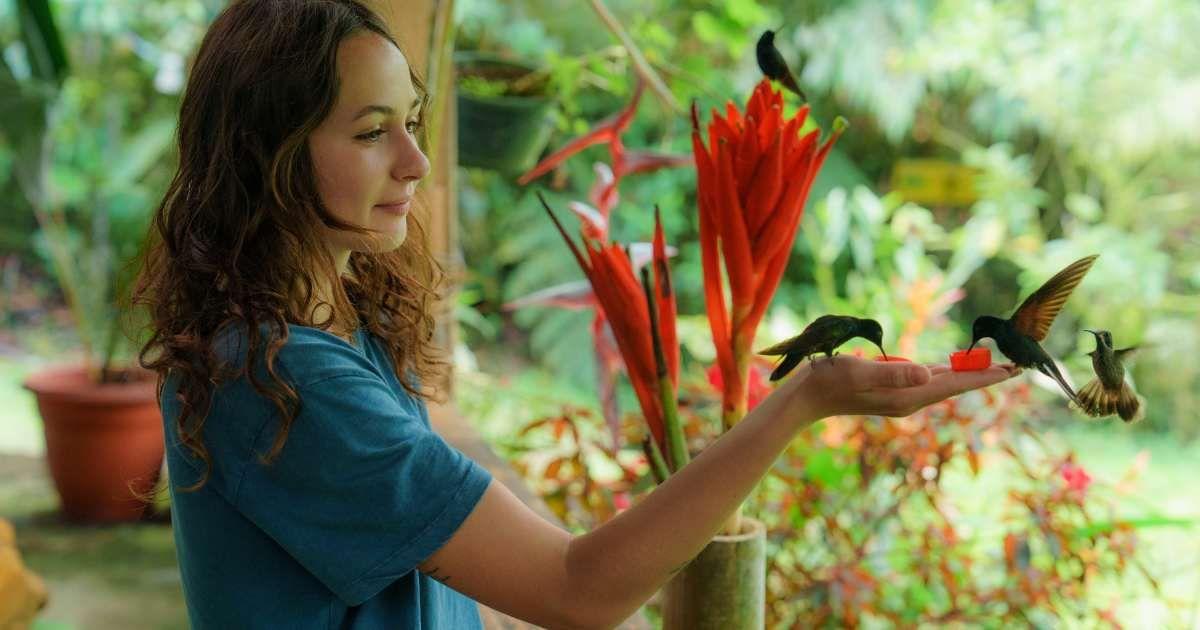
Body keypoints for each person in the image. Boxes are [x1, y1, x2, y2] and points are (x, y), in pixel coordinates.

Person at [130, 1, 1020, 628]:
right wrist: (803, 398)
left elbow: (424, 558)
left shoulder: (319, 320)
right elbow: (579, 590)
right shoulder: (286, 378)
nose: (412, 161)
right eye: (370, 133)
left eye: (413, 121)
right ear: (266, 154)